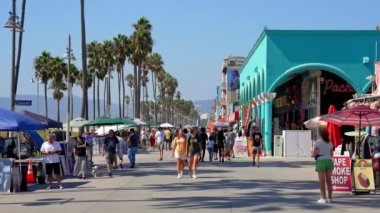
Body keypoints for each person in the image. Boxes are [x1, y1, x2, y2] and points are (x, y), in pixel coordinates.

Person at [312, 127, 334, 204]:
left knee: (322, 181)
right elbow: (331, 154)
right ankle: (330, 198)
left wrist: (316, 153)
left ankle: (323, 198)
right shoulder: (330, 142)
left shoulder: (317, 143)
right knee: (329, 181)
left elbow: (314, 154)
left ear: (320, 134)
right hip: (329, 161)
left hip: (321, 161)